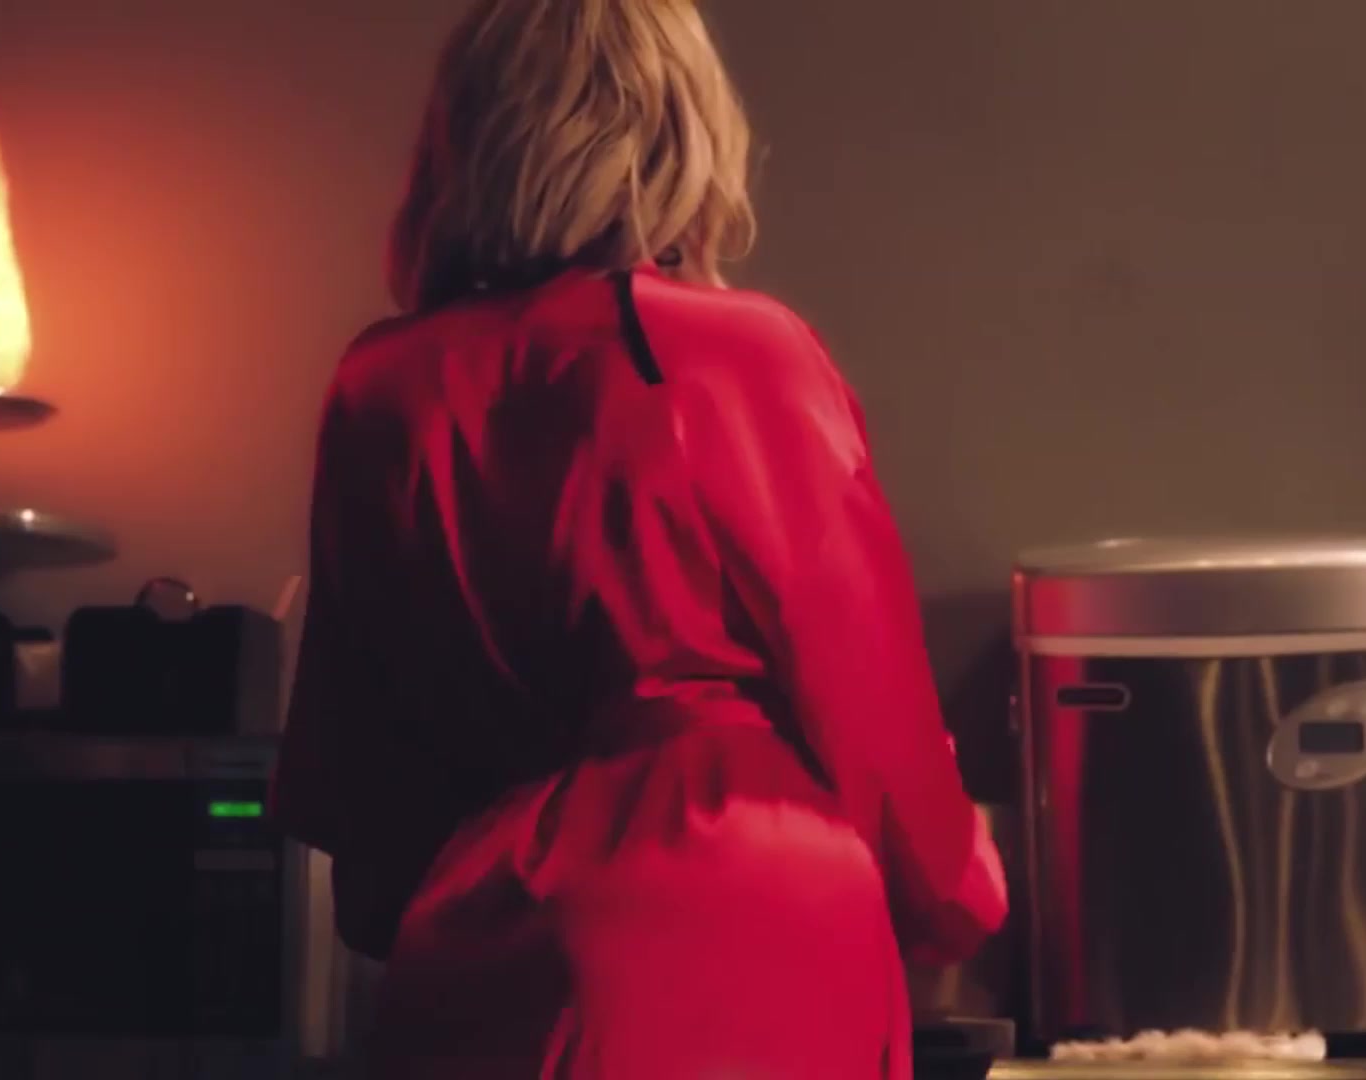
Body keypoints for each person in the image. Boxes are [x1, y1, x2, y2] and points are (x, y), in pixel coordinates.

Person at [271, 0, 1009, 1075]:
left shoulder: (380, 385)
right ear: (681, 130)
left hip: (480, 933)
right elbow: (869, 700)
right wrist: (960, 894)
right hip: (743, 910)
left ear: (465, 136)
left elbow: (361, 786)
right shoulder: (735, 353)